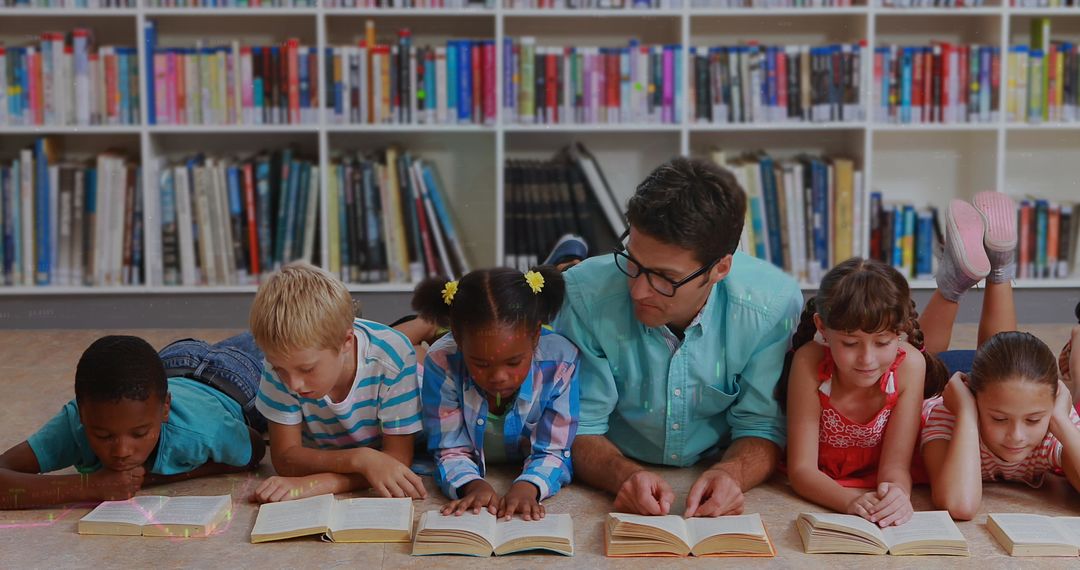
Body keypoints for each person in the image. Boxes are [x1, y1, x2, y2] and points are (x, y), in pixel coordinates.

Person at [552, 157, 803, 517]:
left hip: (713, 461)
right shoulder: (583, 294)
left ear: (720, 268)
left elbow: (762, 424)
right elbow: (578, 426)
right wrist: (622, 475)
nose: (638, 291)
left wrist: (732, 473)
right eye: (633, 262)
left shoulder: (773, 305)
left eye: (664, 278)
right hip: (618, 458)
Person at [917, 193, 1080, 519]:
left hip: (1003, 381)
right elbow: (958, 506)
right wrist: (965, 412)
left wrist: (1060, 419)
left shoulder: (1051, 418)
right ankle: (958, 282)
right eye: (999, 419)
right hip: (947, 385)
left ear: (1052, 402)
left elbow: (1031, 406)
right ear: (976, 403)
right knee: (918, 368)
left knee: (1005, 356)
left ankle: (998, 264)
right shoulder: (948, 416)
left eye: (1033, 420)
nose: (1017, 436)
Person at [0, 335, 266, 509]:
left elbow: (254, 450)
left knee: (271, 338)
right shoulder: (75, 423)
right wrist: (89, 486)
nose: (121, 451)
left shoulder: (201, 429)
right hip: (171, 362)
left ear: (165, 409)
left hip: (235, 381)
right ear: (82, 414)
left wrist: (153, 477)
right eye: (103, 436)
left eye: (139, 433)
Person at [781, 258, 948, 527]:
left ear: (901, 331)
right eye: (850, 343)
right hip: (828, 476)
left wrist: (897, 494)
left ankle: (953, 285)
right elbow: (801, 470)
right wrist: (848, 501)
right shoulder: (808, 362)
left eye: (882, 342)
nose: (867, 360)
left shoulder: (910, 366)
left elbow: (896, 468)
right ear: (822, 328)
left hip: (881, 462)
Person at [250, 262, 426, 503]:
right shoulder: (282, 361)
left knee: (422, 360)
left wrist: (320, 483)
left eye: (307, 369)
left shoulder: (393, 359)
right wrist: (361, 459)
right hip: (355, 438)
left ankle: (426, 325)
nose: (293, 384)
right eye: (280, 370)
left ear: (346, 342)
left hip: (408, 371)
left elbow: (396, 462)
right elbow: (284, 458)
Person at [416, 267, 579, 521]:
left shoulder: (561, 362)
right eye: (480, 364)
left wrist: (530, 486)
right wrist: (472, 484)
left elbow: (555, 450)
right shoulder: (442, 361)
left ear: (536, 335)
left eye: (514, 362)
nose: (498, 377)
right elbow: (449, 449)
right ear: (458, 339)